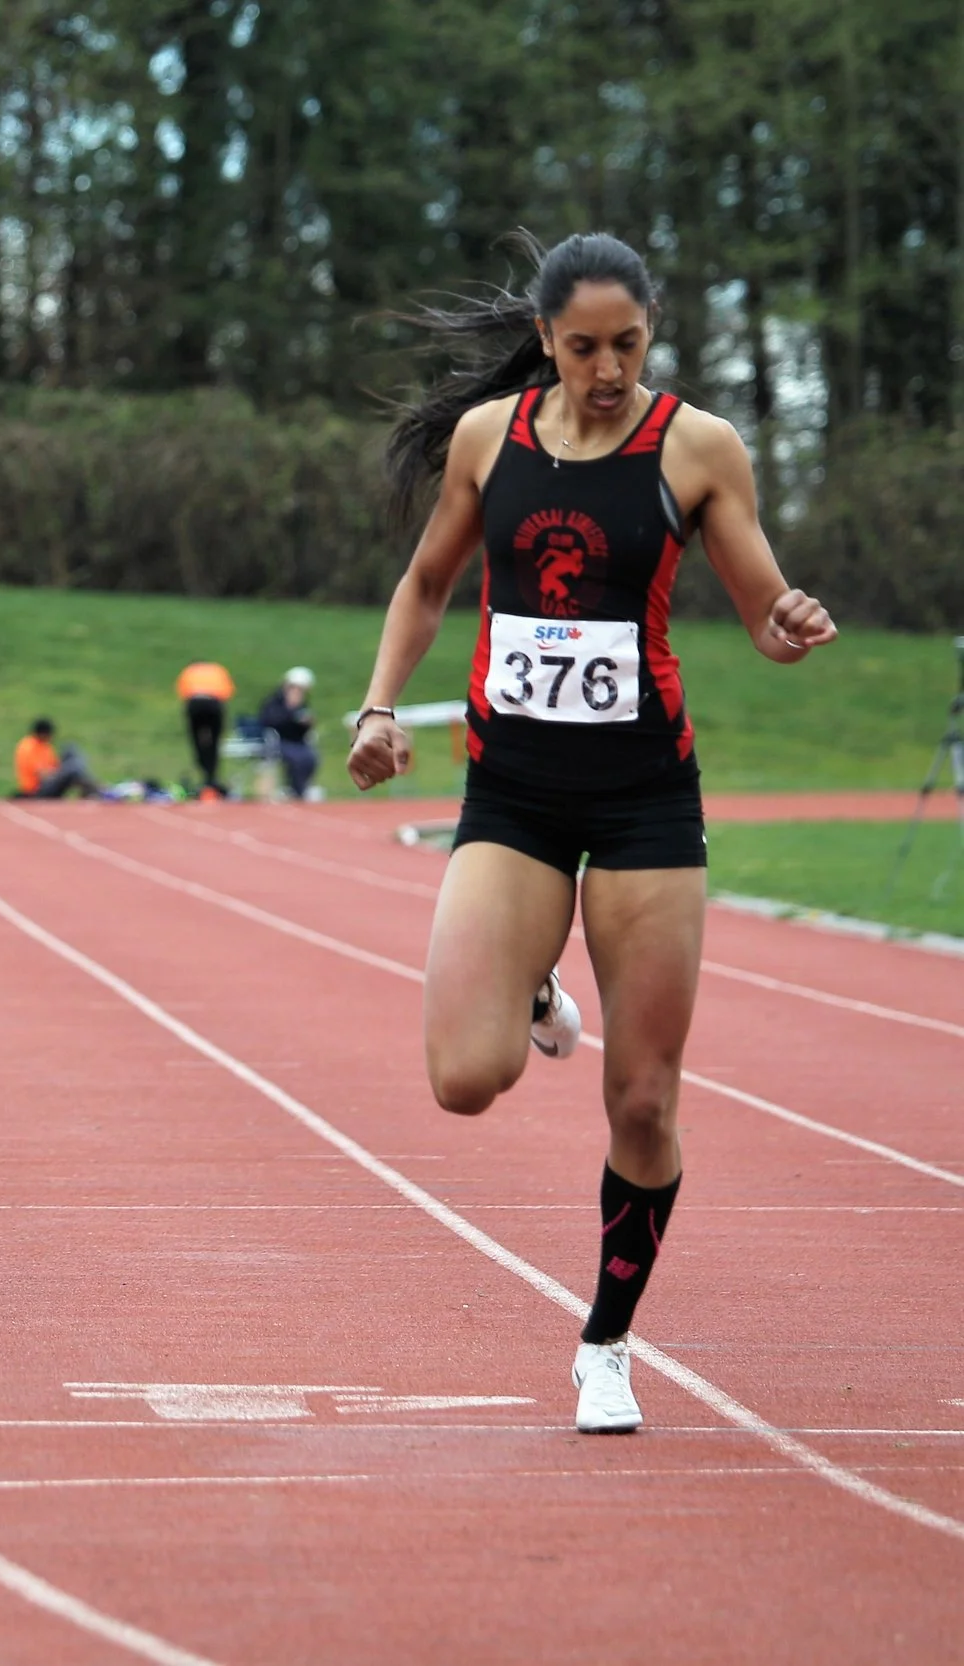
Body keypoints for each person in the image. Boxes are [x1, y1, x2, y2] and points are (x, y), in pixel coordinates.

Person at [346, 230, 839, 1436]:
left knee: (641, 1101)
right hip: (510, 793)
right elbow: (425, 585)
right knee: (465, 1082)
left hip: (643, 804)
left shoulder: (697, 446)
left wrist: (785, 623)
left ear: (652, 332)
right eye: (582, 347)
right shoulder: (490, 440)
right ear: (547, 340)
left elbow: (757, 604)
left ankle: (606, 1344)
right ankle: (528, 994)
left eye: (627, 345)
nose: (607, 368)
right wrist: (373, 705)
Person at [257, 666, 321, 801]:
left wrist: (306, 724)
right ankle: (297, 790)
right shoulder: (274, 702)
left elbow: (302, 729)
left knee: (309, 758)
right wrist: (290, 712)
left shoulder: (302, 704)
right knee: (295, 758)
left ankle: (300, 788)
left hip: (297, 741)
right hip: (279, 741)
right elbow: (269, 721)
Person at [13, 717, 112, 799]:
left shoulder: (44, 745)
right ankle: (99, 790)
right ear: (43, 734)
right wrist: (61, 772)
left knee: (71, 750)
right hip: (37, 791)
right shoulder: (28, 747)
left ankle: (93, 788)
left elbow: (54, 765)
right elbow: (43, 775)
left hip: (50, 779)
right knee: (73, 769)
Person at [176, 660, 234, 797]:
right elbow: (228, 691)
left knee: (197, 741)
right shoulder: (218, 669)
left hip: (195, 703)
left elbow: (182, 691)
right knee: (214, 742)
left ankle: (205, 771)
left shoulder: (190, 670)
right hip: (214, 703)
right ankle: (211, 775)